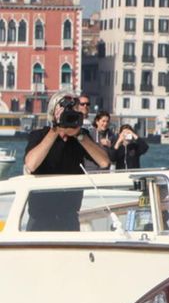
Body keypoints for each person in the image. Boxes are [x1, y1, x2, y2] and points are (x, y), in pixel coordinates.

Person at [22, 92, 113, 230]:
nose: (69, 115)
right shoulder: (39, 135)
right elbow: (31, 164)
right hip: (40, 217)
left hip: (69, 216)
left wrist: (79, 135)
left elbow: (104, 162)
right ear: (53, 112)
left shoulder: (81, 138)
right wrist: (55, 130)